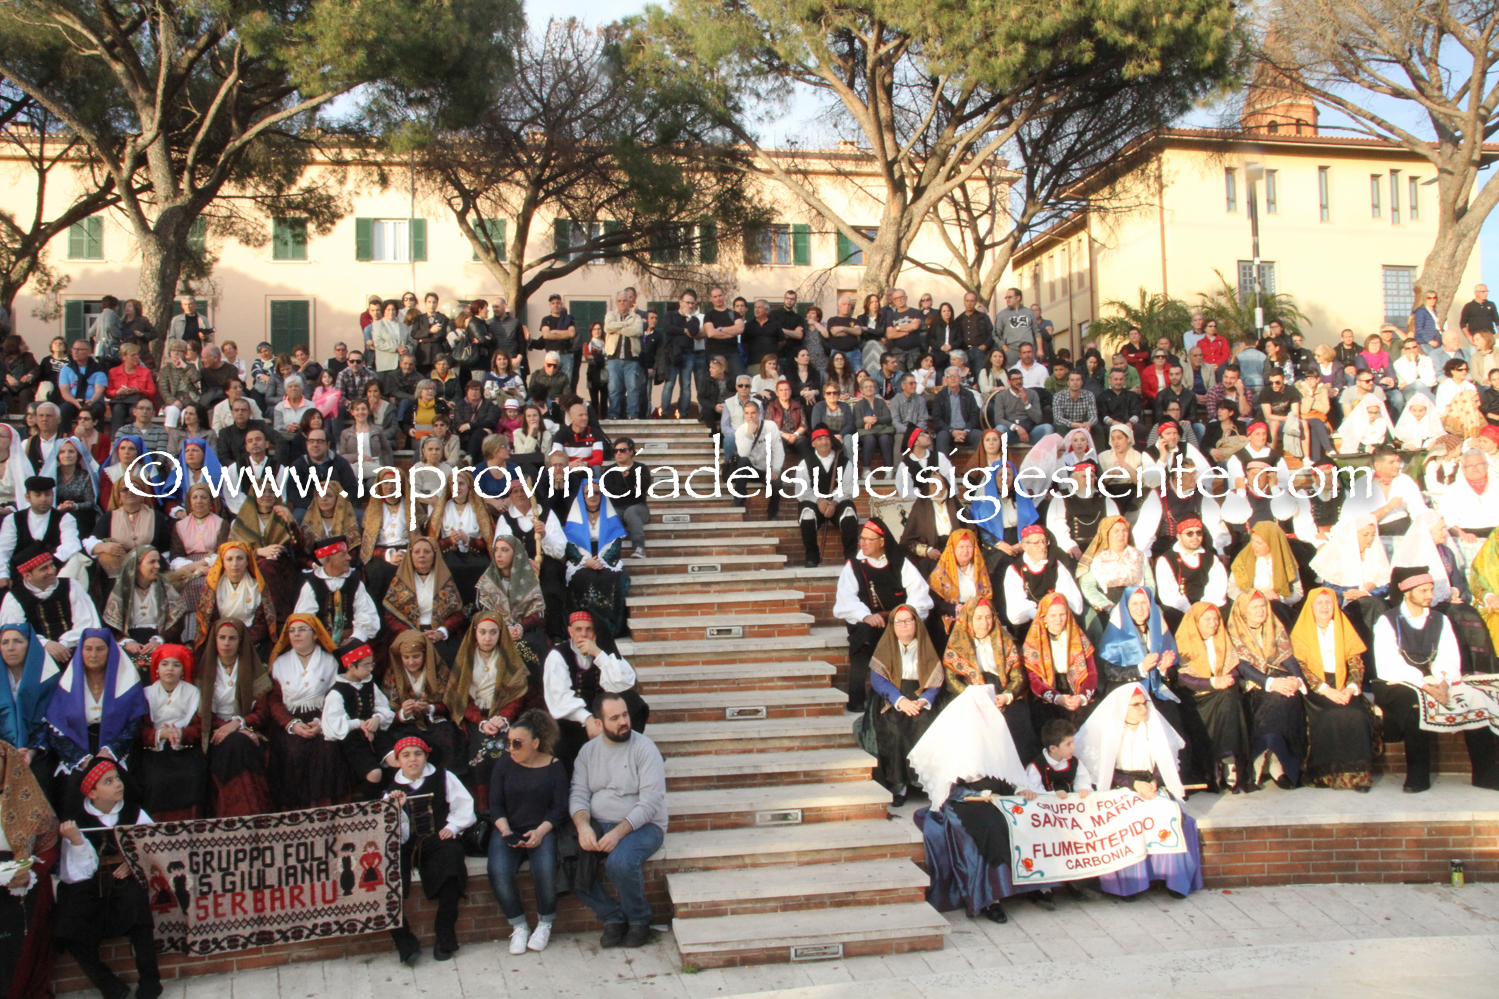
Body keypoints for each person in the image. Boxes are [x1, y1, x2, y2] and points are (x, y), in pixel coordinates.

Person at [1073, 685, 1203, 899]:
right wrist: (1134, 785)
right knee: (1127, 818)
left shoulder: (1153, 728)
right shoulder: (1109, 732)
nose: (1143, 709)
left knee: (1168, 812)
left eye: (1145, 704)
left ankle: (1174, 880)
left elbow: (1165, 763)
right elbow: (1103, 771)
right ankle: (1129, 885)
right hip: (1119, 787)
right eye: (1136, 705)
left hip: (1149, 785)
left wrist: (1154, 781)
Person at [55, 758, 161, 999]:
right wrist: (77, 840)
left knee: (138, 908)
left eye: (118, 778)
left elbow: (153, 844)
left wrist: (133, 861)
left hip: (122, 877)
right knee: (67, 923)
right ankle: (108, 984)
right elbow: (77, 872)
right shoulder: (75, 820)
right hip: (87, 882)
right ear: (92, 793)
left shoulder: (134, 811)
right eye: (108, 781)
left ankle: (150, 981)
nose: (118, 784)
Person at [569, 690, 667, 949]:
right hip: (599, 822)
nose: (624, 721)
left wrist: (617, 833)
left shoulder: (644, 748)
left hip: (644, 826)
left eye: (625, 715)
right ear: (599, 723)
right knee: (568, 860)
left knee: (620, 863)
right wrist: (583, 827)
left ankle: (639, 919)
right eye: (615, 718)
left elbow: (650, 802)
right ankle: (612, 917)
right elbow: (578, 794)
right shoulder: (588, 752)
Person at [381, 736, 475, 964]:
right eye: (406, 755)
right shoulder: (391, 791)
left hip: (437, 839)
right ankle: (405, 943)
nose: (412, 759)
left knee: (452, 865)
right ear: (398, 761)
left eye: (418, 754)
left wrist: (452, 827)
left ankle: (445, 936)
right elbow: (390, 832)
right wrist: (396, 809)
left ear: (426, 757)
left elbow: (465, 806)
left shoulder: (443, 777)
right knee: (384, 881)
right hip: (405, 844)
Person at [484, 708, 568, 955]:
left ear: (536, 743)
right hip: (509, 828)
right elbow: (495, 805)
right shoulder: (503, 766)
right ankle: (519, 925)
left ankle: (545, 923)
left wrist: (540, 832)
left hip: (542, 829)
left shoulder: (554, 767)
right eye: (509, 742)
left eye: (518, 743)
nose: (511, 748)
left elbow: (559, 808)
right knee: (498, 870)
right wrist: (505, 830)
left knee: (545, 870)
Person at [834, 517, 933, 713]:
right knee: (863, 639)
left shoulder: (900, 563)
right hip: (867, 621)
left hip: (899, 620)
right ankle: (857, 698)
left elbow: (919, 594)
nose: (862, 543)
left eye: (868, 539)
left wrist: (903, 617)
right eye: (861, 538)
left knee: (915, 632)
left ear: (881, 541)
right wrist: (866, 616)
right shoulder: (854, 565)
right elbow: (846, 598)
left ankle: (911, 694)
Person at [1289, 589, 1377, 791]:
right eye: (1319, 602)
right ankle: (1324, 776)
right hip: (1315, 689)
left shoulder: (1343, 628)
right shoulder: (1301, 631)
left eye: (1329, 602)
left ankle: (1359, 777)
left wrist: (1350, 688)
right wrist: (1325, 690)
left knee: (1355, 714)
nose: (1324, 607)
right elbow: (1300, 667)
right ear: (1311, 606)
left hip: (1344, 684)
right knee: (1327, 715)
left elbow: (1356, 664)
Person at [1226, 591, 1305, 790]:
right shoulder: (1234, 631)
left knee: (1290, 697)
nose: (1261, 610)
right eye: (1255, 607)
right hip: (1251, 686)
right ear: (1244, 611)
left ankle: (1279, 761)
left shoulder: (1273, 625)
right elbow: (1243, 667)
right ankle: (1262, 759)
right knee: (1275, 700)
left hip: (1276, 678)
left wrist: (1296, 679)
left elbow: (1287, 656)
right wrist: (1271, 683)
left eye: (1263, 606)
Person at [263, 614, 344, 808]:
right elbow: (274, 701)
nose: (296, 634)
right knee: (291, 751)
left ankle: (323, 809)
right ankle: (294, 811)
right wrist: (291, 724)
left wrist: (322, 723)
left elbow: (337, 695)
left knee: (326, 750)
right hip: (289, 720)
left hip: (322, 718)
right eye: (291, 631)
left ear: (315, 634)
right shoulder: (279, 663)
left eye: (302, 630)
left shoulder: (330, 662)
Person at [544, 610, 644, 768]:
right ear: (570, 631)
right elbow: (560, 697)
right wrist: (588, 719)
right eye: (578, 629)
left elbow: (623, 683)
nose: (583, 634)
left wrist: (598, 653)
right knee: (563, 744)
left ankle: (626, 753)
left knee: (634, 701)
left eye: (589, 629)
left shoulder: (602, 651)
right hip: (572, 718)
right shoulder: (558, 656)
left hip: (602, 712)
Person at [942, 597, 1036, 760]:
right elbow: (952, 679)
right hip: (971, 695)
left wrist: (1007, 696)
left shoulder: (1004, 641)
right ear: (969, 618)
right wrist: (974, 698)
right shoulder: (957, 643)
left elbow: (1018, 676)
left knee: (1016, 720)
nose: (984, 623)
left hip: (1001, 692)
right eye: (978, 618)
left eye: (988, 617)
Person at [194, 618, 272, 816]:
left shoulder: (253, 668)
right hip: (214, 733)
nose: (226, 643)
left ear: (240, 641)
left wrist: (238, 724)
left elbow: (262, 713)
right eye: (222, 638)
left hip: (248, 730)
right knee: (235, 744)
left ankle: (244, 810)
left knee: (239, 743)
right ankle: (241, 811)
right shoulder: (205, 670)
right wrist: (226, 727)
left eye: (232, 638)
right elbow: (203, 713)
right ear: (215, 640)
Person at [1173, 602, 1250, 794]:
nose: (1213, 623)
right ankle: (1217, 762)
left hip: (1221, 693)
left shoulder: (1222, 640)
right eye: (1207, 619)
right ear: (1196, 621)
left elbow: (1234, 670)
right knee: (1226, 698)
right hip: (1195, 697)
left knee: (1229, 697)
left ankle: (1228, 759)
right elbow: (1183, 679)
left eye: (1216, 619)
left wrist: (1227, 680)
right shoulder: (1183, 642)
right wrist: (1212, 682)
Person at [137, 644, 208, 821]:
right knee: (155, 780)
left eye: (176, 665)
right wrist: (160, 734)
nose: (170, 669)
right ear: (157, 668)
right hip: (154, 750)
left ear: (183, 670)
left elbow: (200, 727)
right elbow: (140, 728)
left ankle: (190, 824)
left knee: (192, 776)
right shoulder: (146, 694)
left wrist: (180, 734)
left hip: (186, 748)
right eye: (165, 664)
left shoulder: (193, 693)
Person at [0, 546, 99, 665]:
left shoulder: (71, 586)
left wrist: (64, 644)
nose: (52, 571)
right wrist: (45, 644)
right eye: (44, 568)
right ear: (28, 576)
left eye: (52, 565)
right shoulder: (13, 598)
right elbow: (13, 632)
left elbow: (87, 622)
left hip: (74, 650)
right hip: (35, 655)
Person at [322, 643, 394, 799]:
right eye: (366, 665)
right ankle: (370, 805)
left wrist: (377, 718)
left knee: (396, 760)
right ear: (350, 666)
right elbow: (332, 725)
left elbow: (384, 707)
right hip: (353, 739)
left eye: (372, 664)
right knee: (375, 773)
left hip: (376, 733)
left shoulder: (369, 684)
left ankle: (394, 799)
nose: (371, 669)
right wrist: (358, 724)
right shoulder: (336, 693)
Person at [1023, 592, 1099, 731]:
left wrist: (1081, 697)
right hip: (1048, 693)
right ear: (1044, 617)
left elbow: (1092, 673)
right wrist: (1056, 698)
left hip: (1076, 690)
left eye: (1062, 614)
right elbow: (1034, 679)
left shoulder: (1079, 638)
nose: (1058, 619)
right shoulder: (1034, 642)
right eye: (1053, 615)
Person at [293, 539, 378, 647]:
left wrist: (355, 638)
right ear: (328, 560)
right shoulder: (311, 585)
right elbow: (304, 620)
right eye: (343, 555)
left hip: (352, 643)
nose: (349, 558)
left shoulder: (355, 583)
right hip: (320, 645)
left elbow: (366, 614)